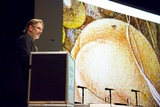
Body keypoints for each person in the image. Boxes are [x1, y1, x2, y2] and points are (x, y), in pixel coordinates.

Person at [7, 19, 44, 107]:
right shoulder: (24, 39)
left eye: (41, 29)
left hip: (26, 86)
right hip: (20, 85)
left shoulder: (32, 43)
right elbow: (27, 59)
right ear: (30, 28)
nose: (40, 31)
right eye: (38, 28)